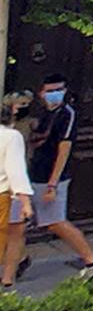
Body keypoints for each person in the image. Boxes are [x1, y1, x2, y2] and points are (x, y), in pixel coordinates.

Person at [26, 74, 93, 278]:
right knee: (18, 222)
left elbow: (64, 150)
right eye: (50, 90)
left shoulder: (66, 114)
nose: (54, 94)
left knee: (54, 221)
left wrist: (53, 184)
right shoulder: (42, 113)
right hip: (34, 173)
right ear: (41, 93)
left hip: (51, 177)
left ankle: (92, 260)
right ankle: (18, 260)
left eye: (58, 90)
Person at [0, 91, 32, 291]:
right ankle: (8, 278)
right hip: (4, 195)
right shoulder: (11, 137)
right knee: (13, 234)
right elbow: (16, 170)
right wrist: (25, 202)